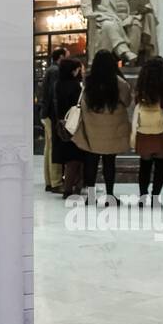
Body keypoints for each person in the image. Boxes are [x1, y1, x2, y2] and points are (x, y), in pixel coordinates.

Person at [73, 49, 132, 207]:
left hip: (92, 127)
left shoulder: (89, 81)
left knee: (91, 162)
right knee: (109, 163)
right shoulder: (118, 82)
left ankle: (90, 196)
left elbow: (84, 102)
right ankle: (110, 195)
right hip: (113, 128)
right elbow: (127, 101)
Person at [131, 55, 163, 208]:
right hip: (161, 127)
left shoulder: (142, 85)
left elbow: (136, 102)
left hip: (144, 127)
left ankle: (143, 196)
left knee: (145, 164)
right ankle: (155, 197)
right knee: (161, 165)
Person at [51, 58, 87, 199]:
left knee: (68, 159)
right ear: (73, 70)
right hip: (74, 125)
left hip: (62, 125)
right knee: (76, 159)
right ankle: (73, 188)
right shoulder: (75, 86)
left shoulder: (57, 84)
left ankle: (68, 187)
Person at [39, 47, 67, 193]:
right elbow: (54, 95)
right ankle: (55, 182)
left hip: (46, 114)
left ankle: (49, 181)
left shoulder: (50, 70)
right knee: (54, 148)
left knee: (48, 148)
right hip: (52, 115)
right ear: (61, 57)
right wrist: (58, 116)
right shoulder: (56, 71)